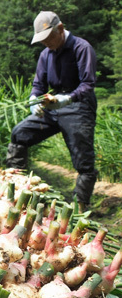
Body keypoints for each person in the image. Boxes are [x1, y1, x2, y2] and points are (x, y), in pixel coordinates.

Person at [6, 11, 98, 212]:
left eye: (48, 38)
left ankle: (79, 208)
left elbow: (88, 84)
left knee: (83, 160)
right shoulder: (45, 55)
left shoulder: (82, 48)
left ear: (61, 29)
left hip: (78, 106)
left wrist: (68, 99)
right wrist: (34, 100)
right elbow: (39, 84)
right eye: (42, 40)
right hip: (52, 105)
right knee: (19, 133)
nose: (46, 43)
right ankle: (17, 189)